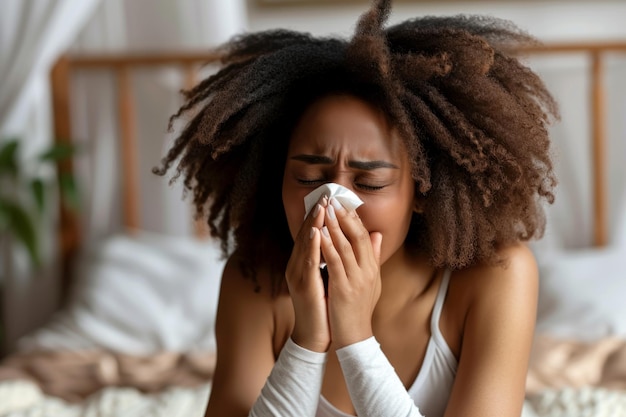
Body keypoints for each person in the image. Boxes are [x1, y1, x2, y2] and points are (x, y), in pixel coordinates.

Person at [154, 0, 558, 415]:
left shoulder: (495, 276)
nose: (331, 202)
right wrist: (308, 339)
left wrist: (355, 338)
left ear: (422, 192)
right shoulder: (254, 279)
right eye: (309, 178)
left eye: (370, 182)